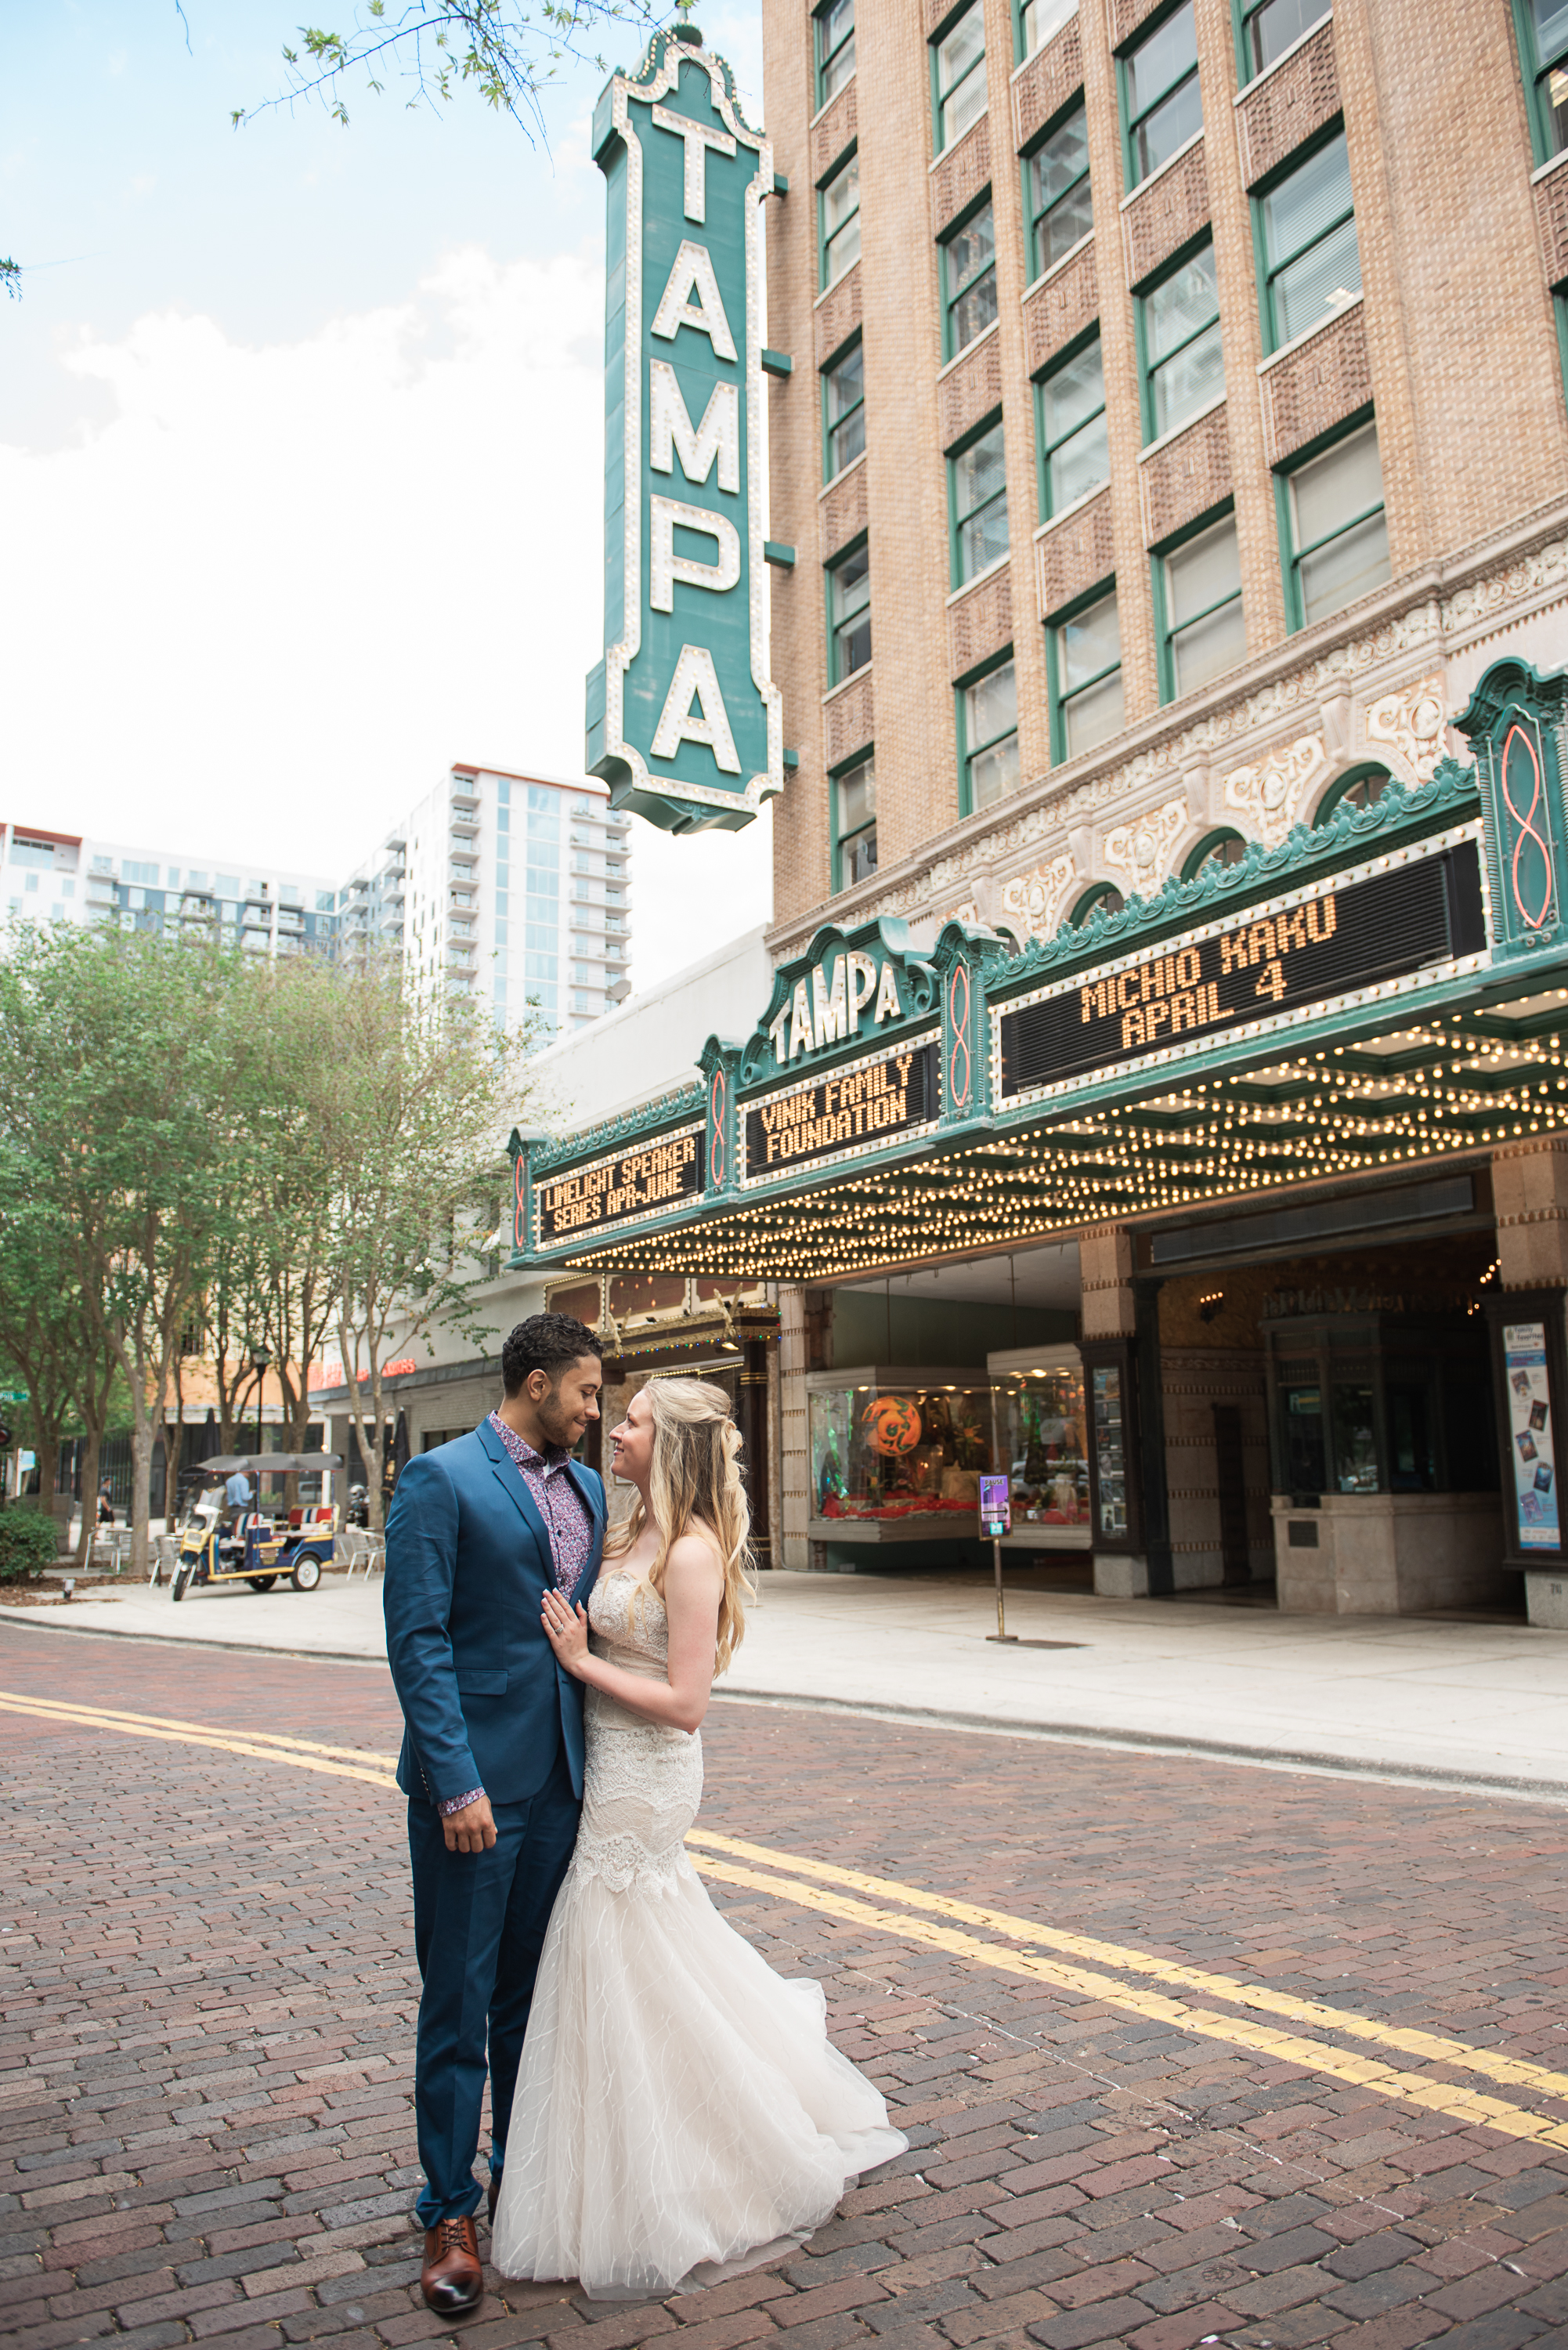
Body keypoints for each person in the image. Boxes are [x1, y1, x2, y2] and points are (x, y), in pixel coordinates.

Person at [492, 1378, 905, 2304]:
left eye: (631, 1419)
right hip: (601, 1762)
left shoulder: (688, 1553)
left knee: (609, 1944)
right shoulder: (621, 1528)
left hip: (645, 1778)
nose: (615, 1430)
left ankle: (674, 2165)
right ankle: (638, 2145)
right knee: (638, 1960)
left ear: (670, 1444)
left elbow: (686, 1707)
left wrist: (582, 1661)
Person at [383, 1313, 606, 2316]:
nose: (594, 1412)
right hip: (473, 1792)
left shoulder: (592, 1490)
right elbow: (418, 1642)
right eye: (586, 1393)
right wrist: (455, 1782)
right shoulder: (441, 1479)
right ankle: (447, 2207)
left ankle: (523, 2180)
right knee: (458, 2005)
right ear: (535, 1382)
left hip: (562, 1782)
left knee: (530, 1998)